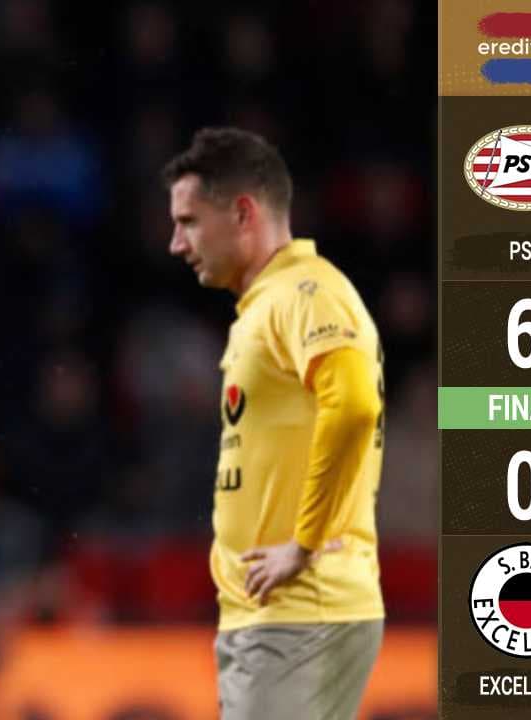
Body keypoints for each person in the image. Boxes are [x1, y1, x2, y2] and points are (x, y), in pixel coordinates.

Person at [162, 127, 385, 720]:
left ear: (242, 213)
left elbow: (355, 404)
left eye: (188, 222)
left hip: (300, 609)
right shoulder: (266, 306)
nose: (176, 244)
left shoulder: (305, 294)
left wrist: (305, 544)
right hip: (277, 614)